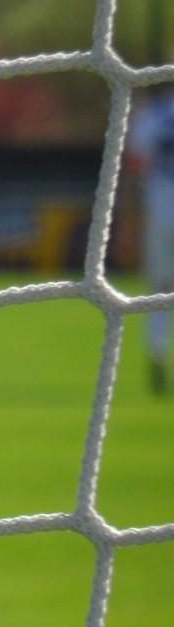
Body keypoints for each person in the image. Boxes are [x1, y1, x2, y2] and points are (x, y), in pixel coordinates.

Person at [127, 83, 174, 394]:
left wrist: (129, 219)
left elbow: (136, 166)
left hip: (161, 211)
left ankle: (156, 351)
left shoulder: (151, 116)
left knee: (161, 289)